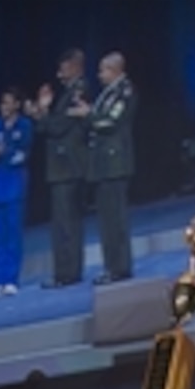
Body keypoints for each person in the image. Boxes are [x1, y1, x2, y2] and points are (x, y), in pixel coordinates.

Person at [70, 51, 136, 284]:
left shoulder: (123, 91)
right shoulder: (108, 93)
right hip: (103, 165)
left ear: (115, 70)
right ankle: (113, 266)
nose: (99, 75)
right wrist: (89, 113)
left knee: (115, 219)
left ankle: (119, 267)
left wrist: (88, 115)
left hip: (114, 163)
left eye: (103, 70)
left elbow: (110, 122)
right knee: (106, 219)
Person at [25, 48, 89, 288]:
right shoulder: (66, 93)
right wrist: (41, 112)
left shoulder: (80, 91)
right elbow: (45, 129)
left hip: (69, 165)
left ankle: (69, 273)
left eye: (63, 68)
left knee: (68, 222)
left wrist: (41, 115)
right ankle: (64, 272)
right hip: (61, 167)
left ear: (74, 66)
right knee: (61, 223)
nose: (58, 74)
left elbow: (59, 127)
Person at [0, 86, 33, 299]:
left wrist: (6, 152)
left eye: (8, 102)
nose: (4, 107)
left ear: (17, 105)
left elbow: (24, 152)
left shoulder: (24, 125)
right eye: (2, 103)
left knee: (12, 234)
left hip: (14, 184)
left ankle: (11, 279)